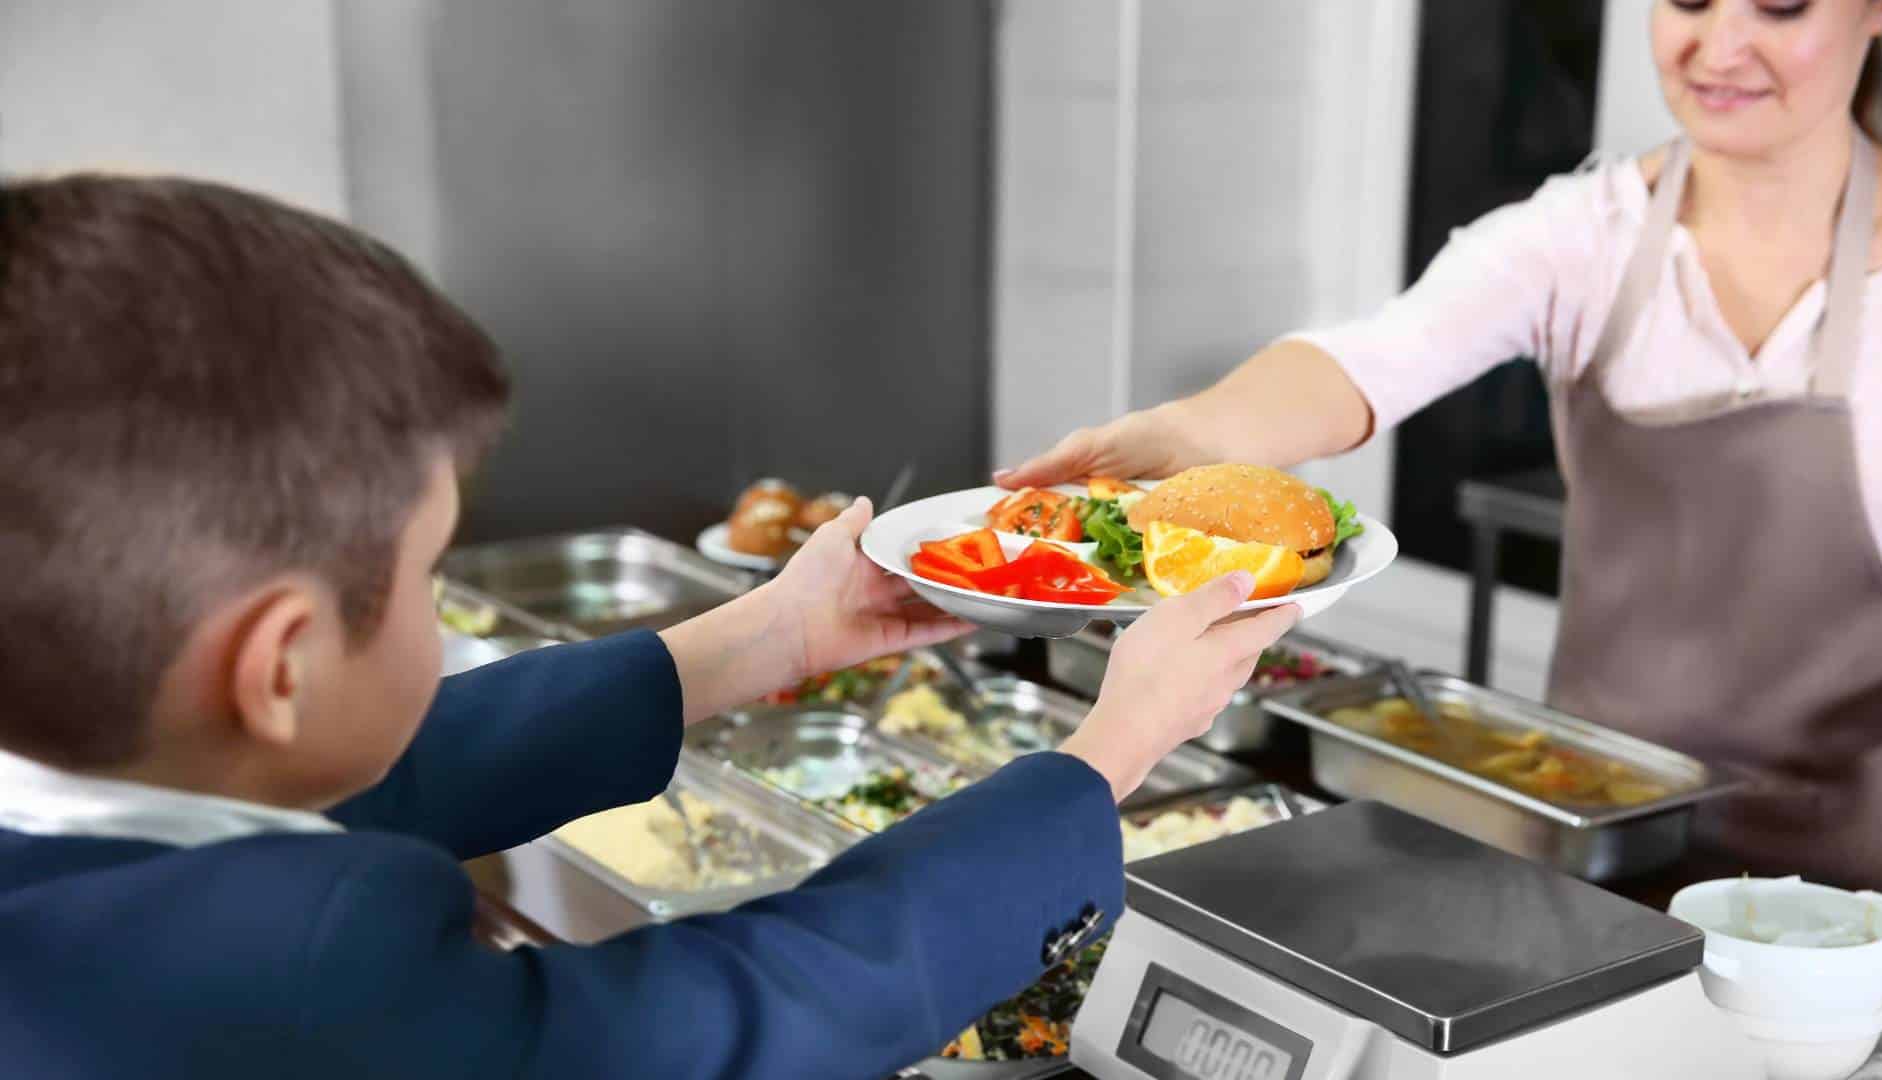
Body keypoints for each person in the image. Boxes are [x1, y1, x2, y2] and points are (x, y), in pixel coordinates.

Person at [0, 174, 1299, 1080]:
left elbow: (336, 778)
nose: (432, 613)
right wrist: (1104, 757)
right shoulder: (296, 974)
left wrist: (762, 641)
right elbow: (731, 1022)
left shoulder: (88, 800)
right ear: (277, 664)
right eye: (425, 579)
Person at [1002, 0, 1882, 899]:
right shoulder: (1586, 236)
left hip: (1869, 898)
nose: (1720, 46)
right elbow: (1371, 359)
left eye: (1780, 7)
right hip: (1596, 841)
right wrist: (1189, 433)